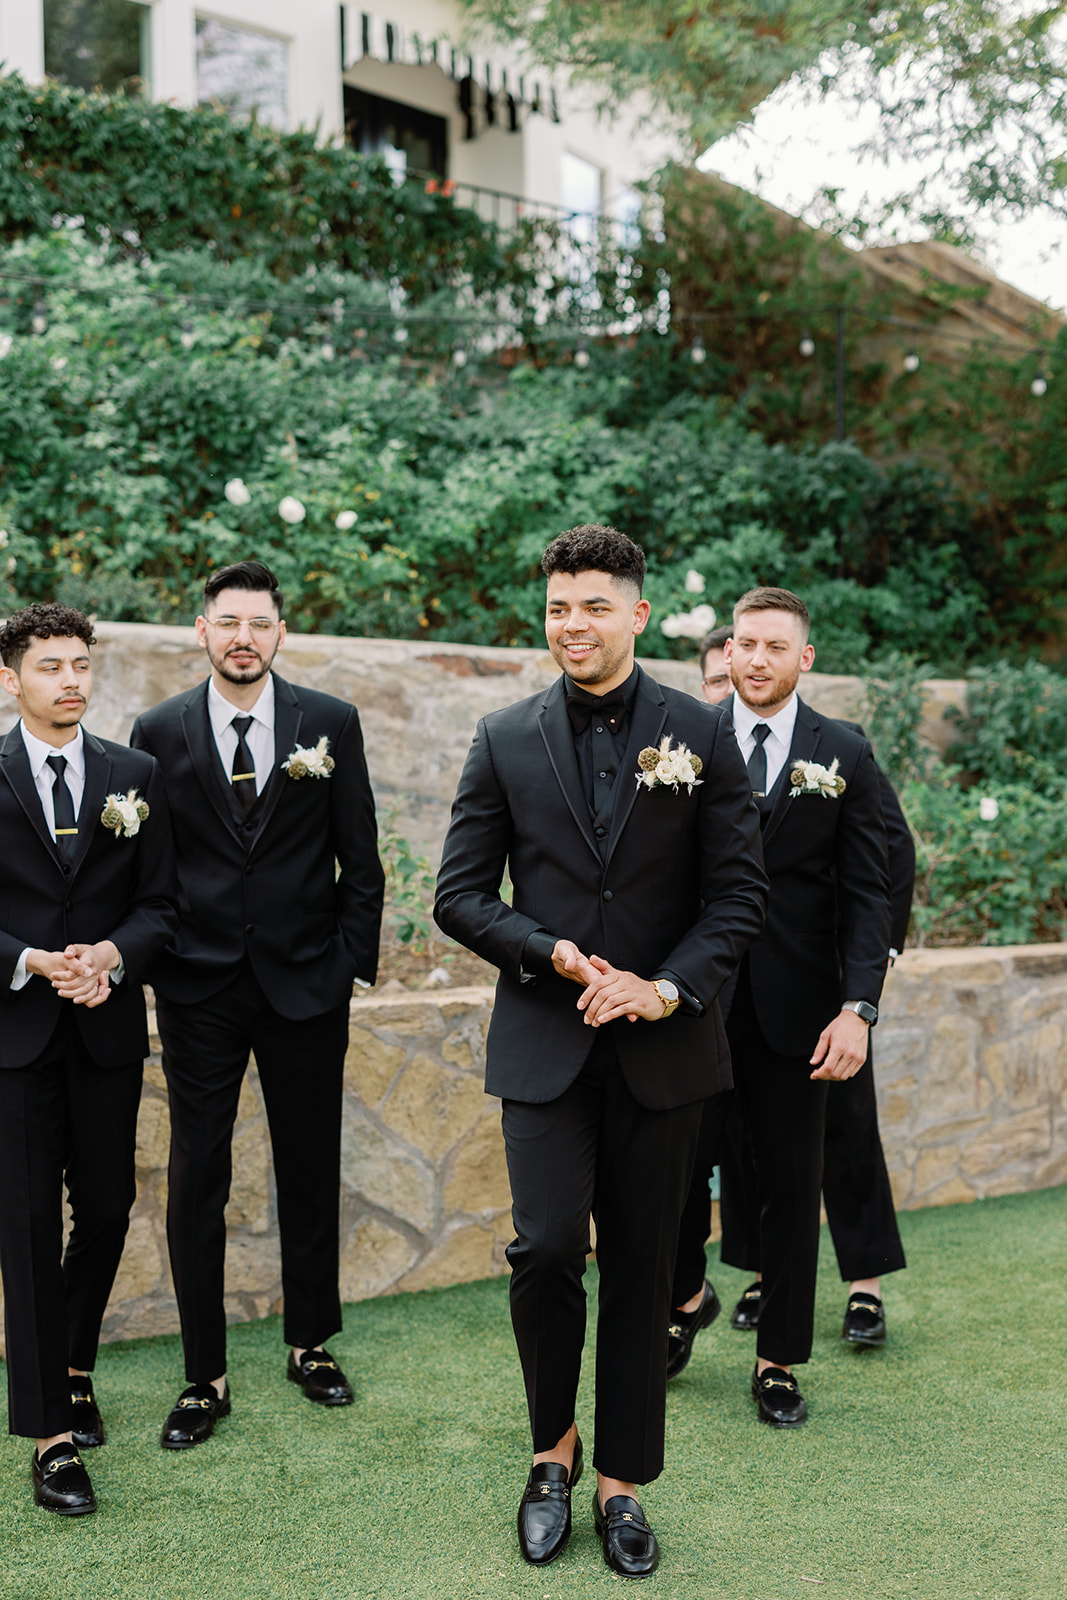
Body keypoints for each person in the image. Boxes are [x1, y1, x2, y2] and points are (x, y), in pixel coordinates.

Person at [434, 525, 767, 1577]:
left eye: (591, 606)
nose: (570, 625)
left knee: (639, 1264)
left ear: (635, 612)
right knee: (543, 1250)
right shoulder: (502, 735)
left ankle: (622, 1482)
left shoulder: (701, 731)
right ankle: (552, 1454)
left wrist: (661, 987)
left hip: (664, 1052)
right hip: (545, 1040)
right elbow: (457, 896)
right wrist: (549, 952)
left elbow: (738, 896)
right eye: (556, 608)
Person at [130, 560, 384, 1448]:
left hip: (306, 984)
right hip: (197, 986)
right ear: (202, 631)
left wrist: (347, 966)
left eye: (260, 623)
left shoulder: (330, 723)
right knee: (198, 1174)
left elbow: (361, 856)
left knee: (309, 1165)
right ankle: (204, 1373)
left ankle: (310, 1342)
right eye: (228, 622)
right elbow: (149, 865)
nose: (244, 638)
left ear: (281, 633)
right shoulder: (156, 730)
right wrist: (158, 959)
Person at [669, 587, 891, 1427]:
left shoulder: (844, 751)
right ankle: (682, 1301)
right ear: (726, 652)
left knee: (792, 1189)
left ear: (804, 658)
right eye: (745, 644)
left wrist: (857, 1008)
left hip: (799, 1012)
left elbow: (867, 894)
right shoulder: (681, 738)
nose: (756, 659)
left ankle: (777, 1363)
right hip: (693, 1002)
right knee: (673, 1177)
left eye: (774, 646)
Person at [0, 603, 177, 1515]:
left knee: (108, 1206)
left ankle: (71, 1366)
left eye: (80, 665)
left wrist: (109, 954)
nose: (70, 681)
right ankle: (51, 1438)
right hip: (16, 1035)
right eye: (50, 667)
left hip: (106, 1030)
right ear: (10, 679)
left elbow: (163, 905)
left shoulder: (132, 775)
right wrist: (33, 961)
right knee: (28, 1227)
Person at [721, 715, 914, 1347]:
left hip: (824, 982)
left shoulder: (840, 748)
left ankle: (866, 1283)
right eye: (715, 679)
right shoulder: (700, 740)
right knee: (747, 1141)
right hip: (731, 983)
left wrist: (871, 971)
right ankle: (760, 1276)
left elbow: (891, 850)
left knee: (848, 1131)